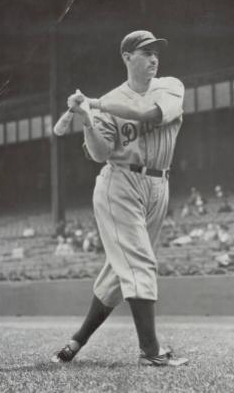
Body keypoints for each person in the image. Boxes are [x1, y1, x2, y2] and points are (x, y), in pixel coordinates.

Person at [51, 30, 188, 367]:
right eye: (145, 52)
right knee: (140, 262)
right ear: (127, 57)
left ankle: (75, 342)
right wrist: (86, 120)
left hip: (159, 184)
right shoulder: (109, 100)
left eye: (156, 51)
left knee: (118, 273)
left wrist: (94, 104)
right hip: (121, 184)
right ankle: (151, 352)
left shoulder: (171, 86)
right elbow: (100, 153)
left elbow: (148, 114)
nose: (154, 57)